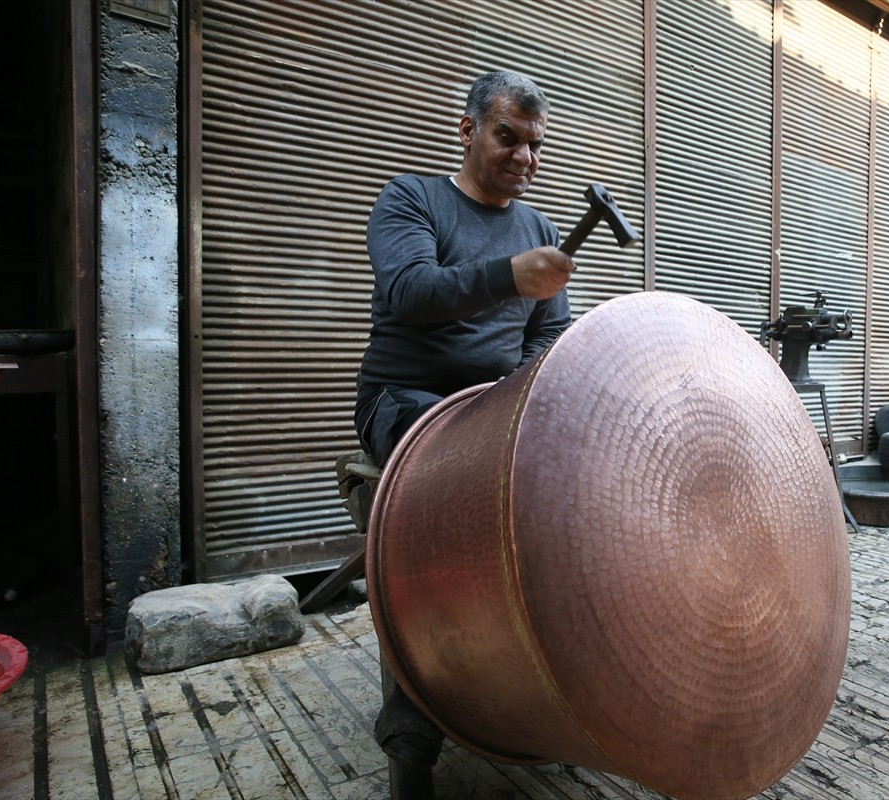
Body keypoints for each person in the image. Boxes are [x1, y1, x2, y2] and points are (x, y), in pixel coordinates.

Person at [354, 71, 575, 798]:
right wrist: (509, 276)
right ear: (469, 129)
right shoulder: (412, 198)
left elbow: (550, 336)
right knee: (437, 516)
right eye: (508, 136)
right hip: (405, 401)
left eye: (534, 146)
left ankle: (543, 692)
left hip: (490, 408)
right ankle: (412, 735)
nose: (523, 157)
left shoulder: (539, 228)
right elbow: (407, 290)